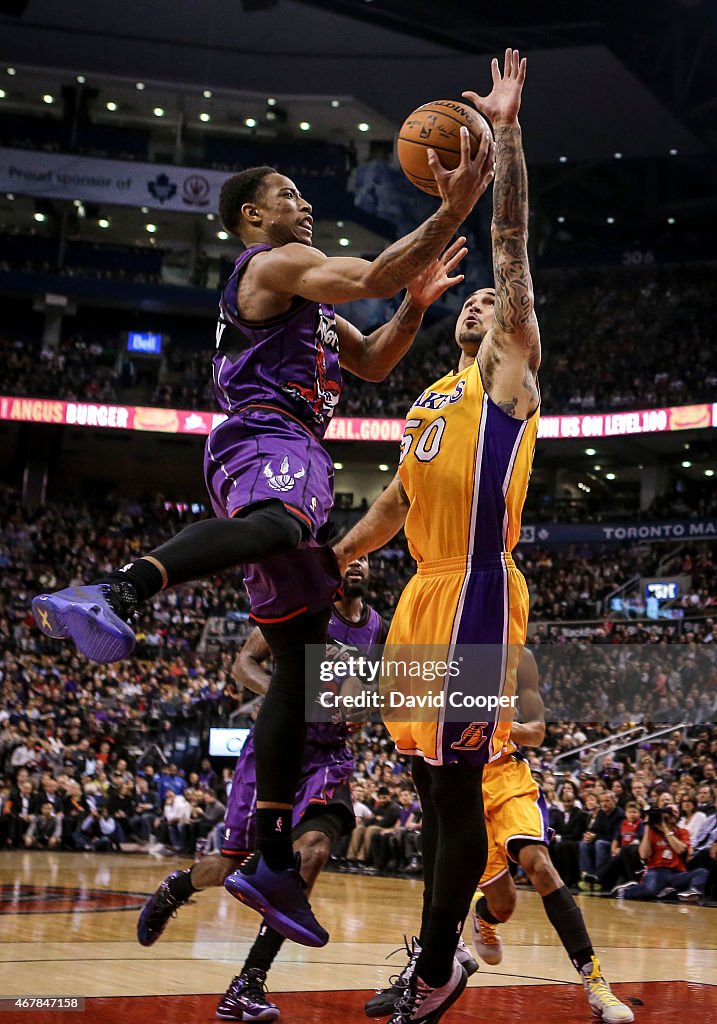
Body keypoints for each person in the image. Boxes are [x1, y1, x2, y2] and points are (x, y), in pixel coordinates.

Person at [32, 140, 495, 948]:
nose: (301, 203)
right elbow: (369, 275)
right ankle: (119, 588)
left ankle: (273, 858)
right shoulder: (276, 264)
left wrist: (413, 308)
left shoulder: (307, 303)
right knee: (282, 526)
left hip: (276, 444)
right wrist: (454, 208)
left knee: (300, 661)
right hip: (266, 436)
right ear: (253, 216)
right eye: (286, 193)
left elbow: (377, 360)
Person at [336, 49, 539, 1024]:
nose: (482, 301)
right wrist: (329, 557)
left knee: (458, 792)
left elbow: (513, 247)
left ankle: (437, 966)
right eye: (475, 299)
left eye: (492, 302)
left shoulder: (511, 376)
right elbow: (389, 508)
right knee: (429, 792)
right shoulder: (425, 396)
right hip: (419, 595)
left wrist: (504, 138)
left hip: (476, 595)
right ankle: (440, 946)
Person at [137, 559, 394, 1021]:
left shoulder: (378, 628)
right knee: (230, 863)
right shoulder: (305, 608)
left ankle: (249, 981)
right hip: (276, 749)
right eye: (352, 554)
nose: (359, 562)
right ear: (333, 566)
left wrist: (365, 706)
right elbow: (243, 663)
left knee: (311, 852)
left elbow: (377, 691)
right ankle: (177, 887)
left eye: (367, 558)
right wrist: (287, 691)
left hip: (328, 757)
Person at [365, 651, 633, 1024]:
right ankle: (482, 916)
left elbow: (536, 731)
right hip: (460, 784)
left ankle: (596, 984)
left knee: (539, 864)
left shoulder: (520, 657)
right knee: (503, 904)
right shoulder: (438, 654)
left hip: (506, 776)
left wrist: (491, 726)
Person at [616, 804, 708, 902]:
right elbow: (643, 855)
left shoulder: (682, 832)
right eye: (667, 813)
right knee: (651, 890)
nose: (671, 816)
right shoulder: (652, 833)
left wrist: (665, 829)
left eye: (674, 812)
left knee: (702, 872)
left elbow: (680, 849)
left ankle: (692, 892)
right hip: (656, 871)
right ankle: (626, 891)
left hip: (676, 873)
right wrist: (647, 827)